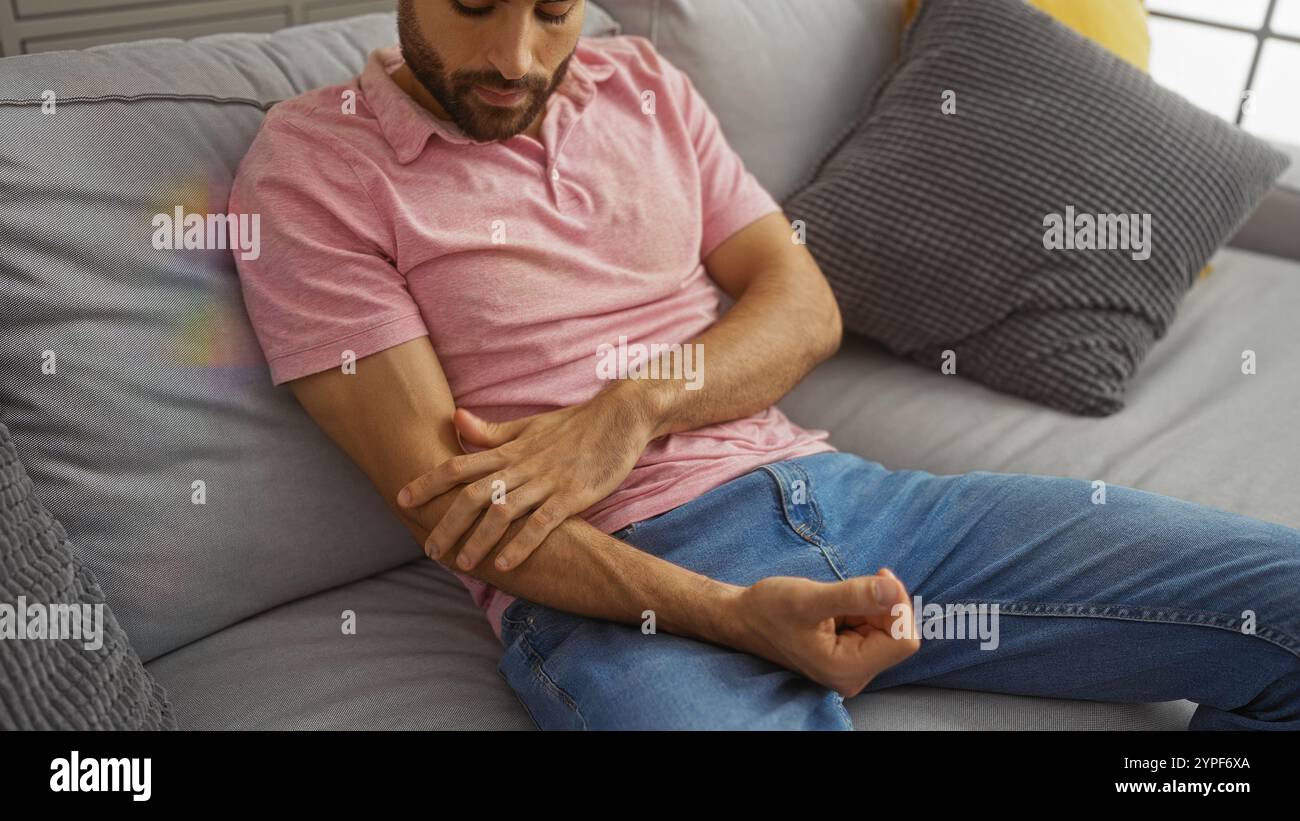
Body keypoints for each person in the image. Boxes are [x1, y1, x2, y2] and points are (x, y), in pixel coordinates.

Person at [228, 0, 1300, 730]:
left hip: (850, 498)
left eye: (552, 10)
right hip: (619, 587)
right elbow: (449, 507)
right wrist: (734, 615)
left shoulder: (640, 82)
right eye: (475, 2)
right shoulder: (315, 163)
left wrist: (632, 406)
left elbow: (803, 307)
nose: (513, 55)